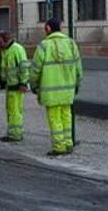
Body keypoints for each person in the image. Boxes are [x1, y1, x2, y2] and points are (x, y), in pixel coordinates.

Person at [29, 17, 82, 156]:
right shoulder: (71, 44)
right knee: (66, 116)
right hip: (68, 91)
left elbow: (35, 69)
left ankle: (59, 147)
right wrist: (77, 84)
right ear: (61, 28)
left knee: (55, 119)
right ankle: (68, 143)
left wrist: (33, 84)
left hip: (50, 91)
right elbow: (78, 68)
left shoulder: (44, 46)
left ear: (47, 29)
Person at [0, 30, 29, 142]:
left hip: (16, 86)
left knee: (15, 111)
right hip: (10, 86)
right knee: (11, 110)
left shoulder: (16, 49)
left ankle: (15, 135)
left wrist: (23, 83)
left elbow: (23, 68)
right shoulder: (2, 51)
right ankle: (13, 132)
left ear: (6, 39)